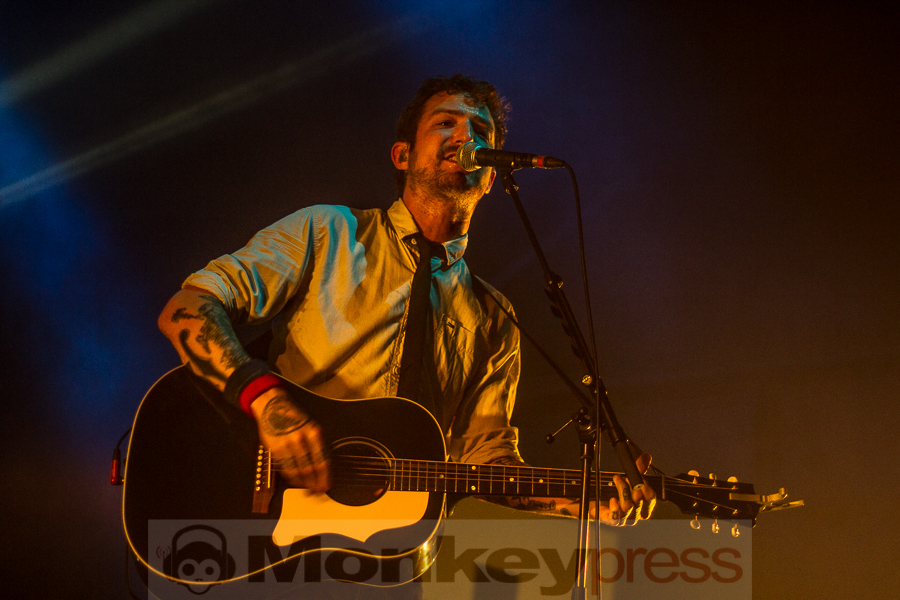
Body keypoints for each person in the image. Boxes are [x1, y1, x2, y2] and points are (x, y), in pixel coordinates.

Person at [158, 74, 655, 596]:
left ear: (490, 179)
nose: (466, 136)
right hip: (264, 527)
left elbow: (486, 462)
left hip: (383, 564)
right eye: (446, 123)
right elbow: (188, 308)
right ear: (402, 156)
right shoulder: (327, 232)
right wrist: (264, 402)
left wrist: (578, 500)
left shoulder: (493, 316)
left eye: (480, 129)